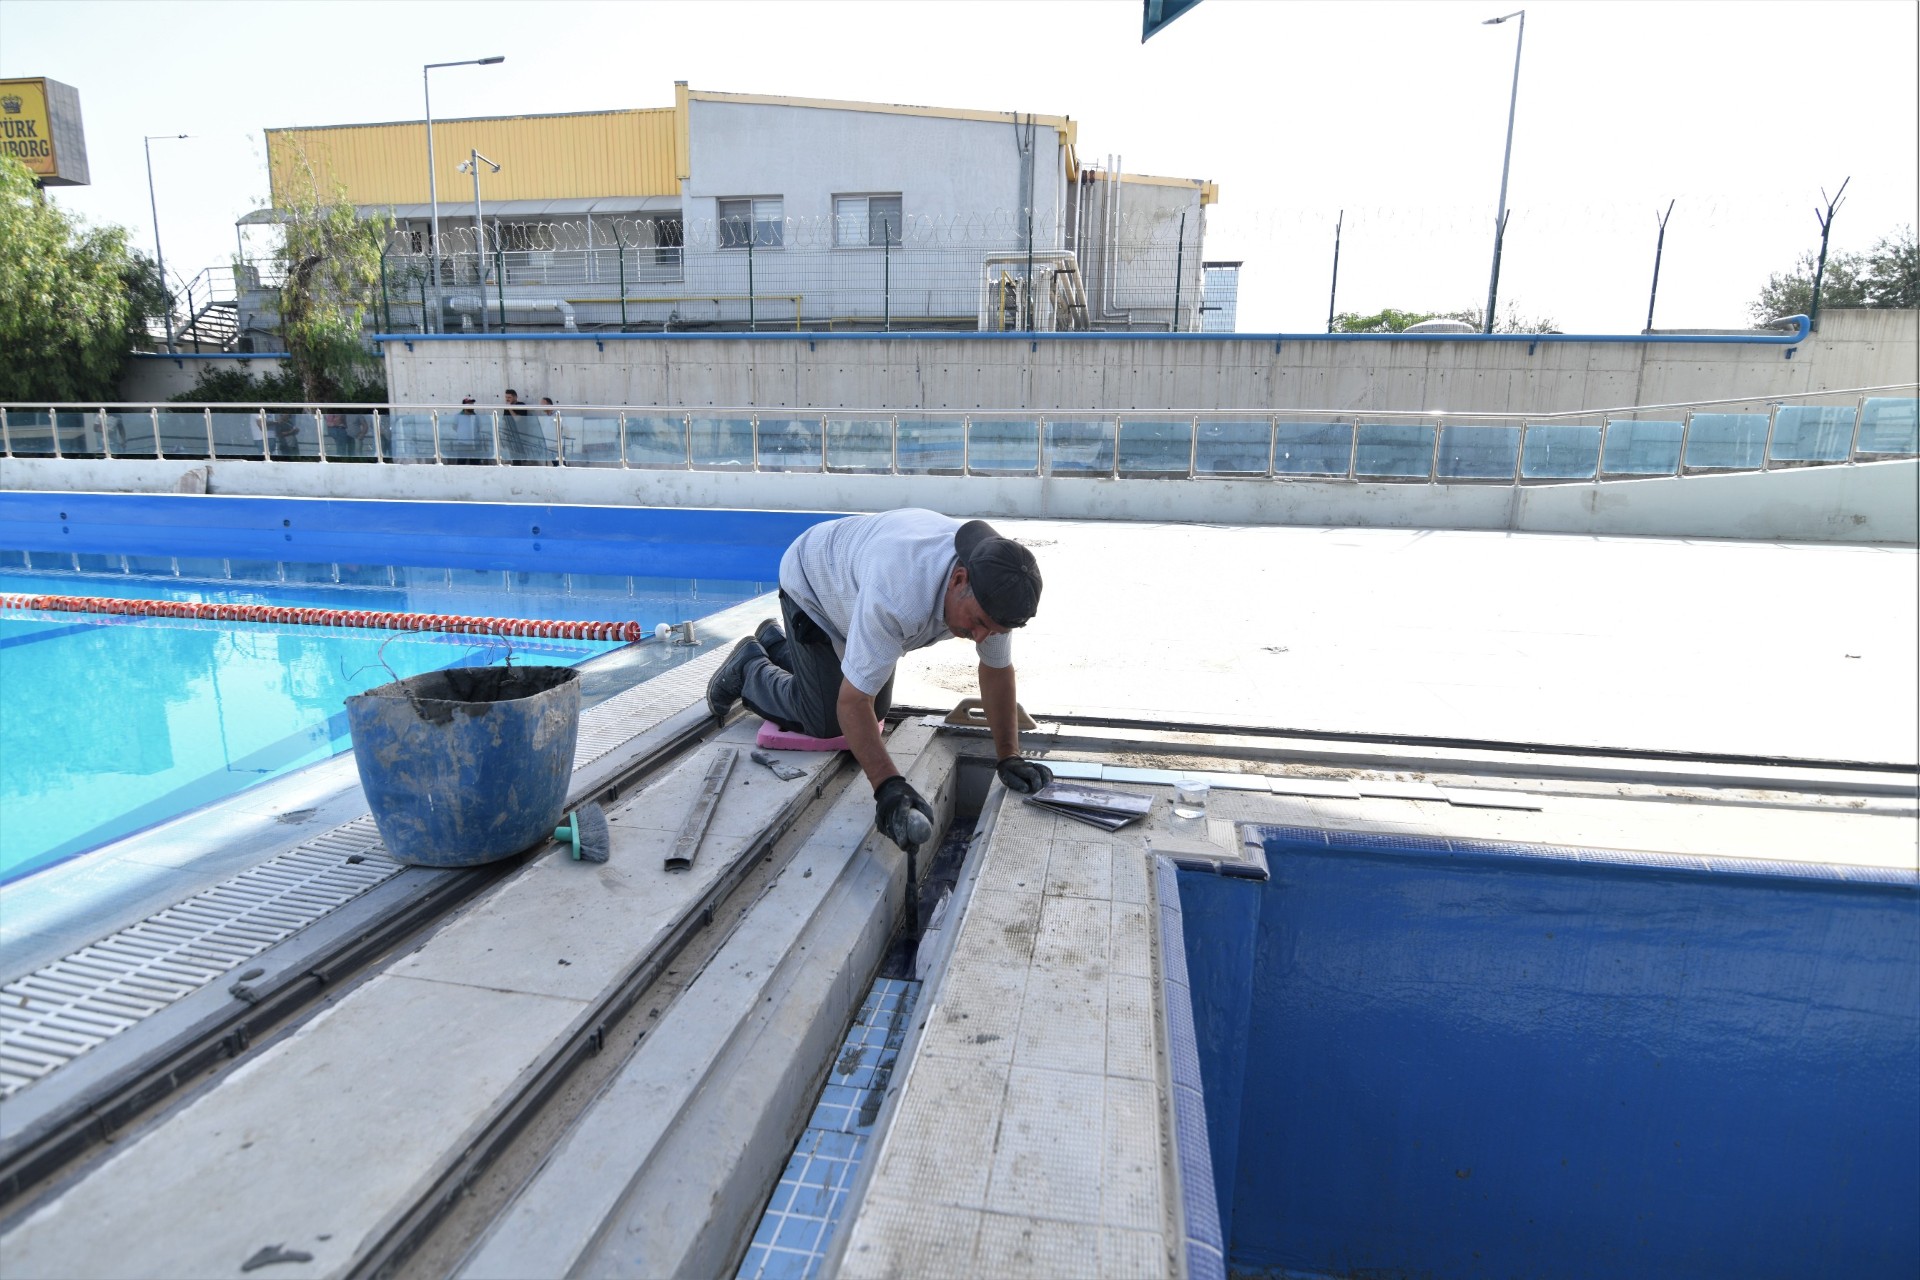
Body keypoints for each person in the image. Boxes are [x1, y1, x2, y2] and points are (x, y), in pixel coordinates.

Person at [707, 510, 1053, 854]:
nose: (980, 637)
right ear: (958, 579)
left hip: (854, 581)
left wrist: (1009, 755)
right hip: (813, 583)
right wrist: (888, 786)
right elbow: (852, 703)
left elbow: (995, 669)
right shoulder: (899, 595)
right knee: (828, 719)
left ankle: (775, 642)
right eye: (978, 624)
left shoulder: (993, 585)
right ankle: (749, 667)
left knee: (874, 712)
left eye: (993, 631)